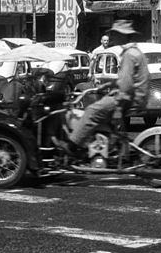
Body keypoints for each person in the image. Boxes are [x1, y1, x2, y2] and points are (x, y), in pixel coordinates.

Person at [62, 19, 149, 156]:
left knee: (91, 111)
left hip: (129, 98)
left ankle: (72, 145)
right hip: (137, 96)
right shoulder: (135, 52)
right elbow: (128, 79)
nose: (112, 37)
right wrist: (110, 85)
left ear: (124, 35)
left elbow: (126, 85)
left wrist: (118, 107)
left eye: (115, 34)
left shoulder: (129, 55)